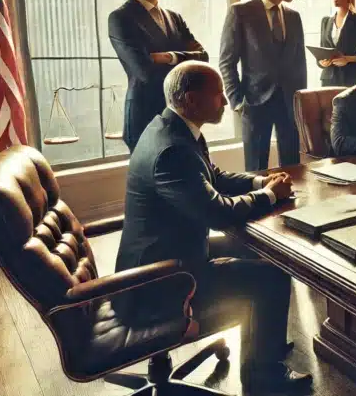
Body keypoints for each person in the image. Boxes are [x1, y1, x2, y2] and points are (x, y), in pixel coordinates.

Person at [114, 61, 311, 394]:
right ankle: (264, 377)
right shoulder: (173, 150)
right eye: (218, 94)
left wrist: (261, 181)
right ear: (191, 99)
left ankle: (265, 344)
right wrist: (267, 195)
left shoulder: (172, 128)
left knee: (263, 253)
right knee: (272, 277)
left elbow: (213, 178)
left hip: (168, 252)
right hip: (162, 280)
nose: (224, 101)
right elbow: (218, 213)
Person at [108, 0, 208, 151]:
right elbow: (145, 72)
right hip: (145, 119)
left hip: (182, 118)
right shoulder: (121, 19)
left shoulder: (175, 18)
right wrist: (185, 62)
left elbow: (203, 58)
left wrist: (169, 57)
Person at [219, 0, 306, 170]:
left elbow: (299, 63)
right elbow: (227, 61)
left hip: (288, 104)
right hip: (254, 102)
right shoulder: (241, 12)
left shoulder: (294, 17)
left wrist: (299, 100)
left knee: (293, 167)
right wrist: (237, 101)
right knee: (256, 170)